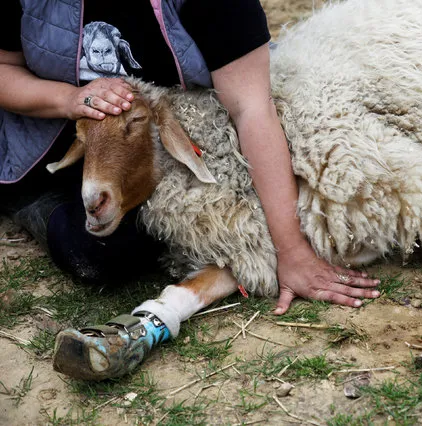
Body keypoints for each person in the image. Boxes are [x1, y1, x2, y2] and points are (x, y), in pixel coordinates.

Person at [0, 0, 379, 379]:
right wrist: (66, 99)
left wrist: (291, 248)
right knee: (86, 249)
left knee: (126, 248)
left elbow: (251, 107)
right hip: (42, 138)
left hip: (166, 150)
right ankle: (24, 197)